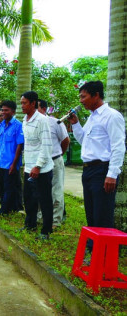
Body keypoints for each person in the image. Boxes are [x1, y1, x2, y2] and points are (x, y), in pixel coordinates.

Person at [68, 81, 125, 250]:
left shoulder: (112, 116)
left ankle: (104, 252)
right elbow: (84, 141)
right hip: (89, 170)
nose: (81, 101)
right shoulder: (92, 118)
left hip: (103, 170)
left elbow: (118, 146)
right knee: (92, 213)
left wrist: (112, 174)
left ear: (96, 95)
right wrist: (75, 124)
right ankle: (94, 249)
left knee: (102, 214)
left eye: (83, 96)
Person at [21, 91, 53, 240]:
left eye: (24, 103)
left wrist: (38, 166)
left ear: (33, 103)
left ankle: (46, 231)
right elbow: (28, 145)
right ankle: (30, 224)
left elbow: (46, 145)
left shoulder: (42, 120)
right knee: (29, 198)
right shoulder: (25, 120)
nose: (22, 106)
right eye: (21, 103)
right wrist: (29, 165)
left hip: (42, 169)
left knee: (44, 200)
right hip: (28, 167)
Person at [38, 99, 70, 229]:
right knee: (41, 191)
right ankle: (40, 217)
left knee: (56, 191)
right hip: (40, 162)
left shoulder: (55, 122)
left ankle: (56, 220)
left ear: (44, 109)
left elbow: (65, 140)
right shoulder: (33, 123)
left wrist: (59, 154)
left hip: (55, 160)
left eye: (37, 108)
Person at [0, 100, 24, 216]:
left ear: (13, 112)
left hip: (11, 163)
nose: (4, 112)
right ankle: (11, 207)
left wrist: (13, 164)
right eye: (3, 110)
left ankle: (4, 211)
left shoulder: (18, 126)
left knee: (9, 187)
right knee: (1, 187)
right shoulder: (0, 126)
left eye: (6, 110)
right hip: (1, 163)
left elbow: (19, 146)